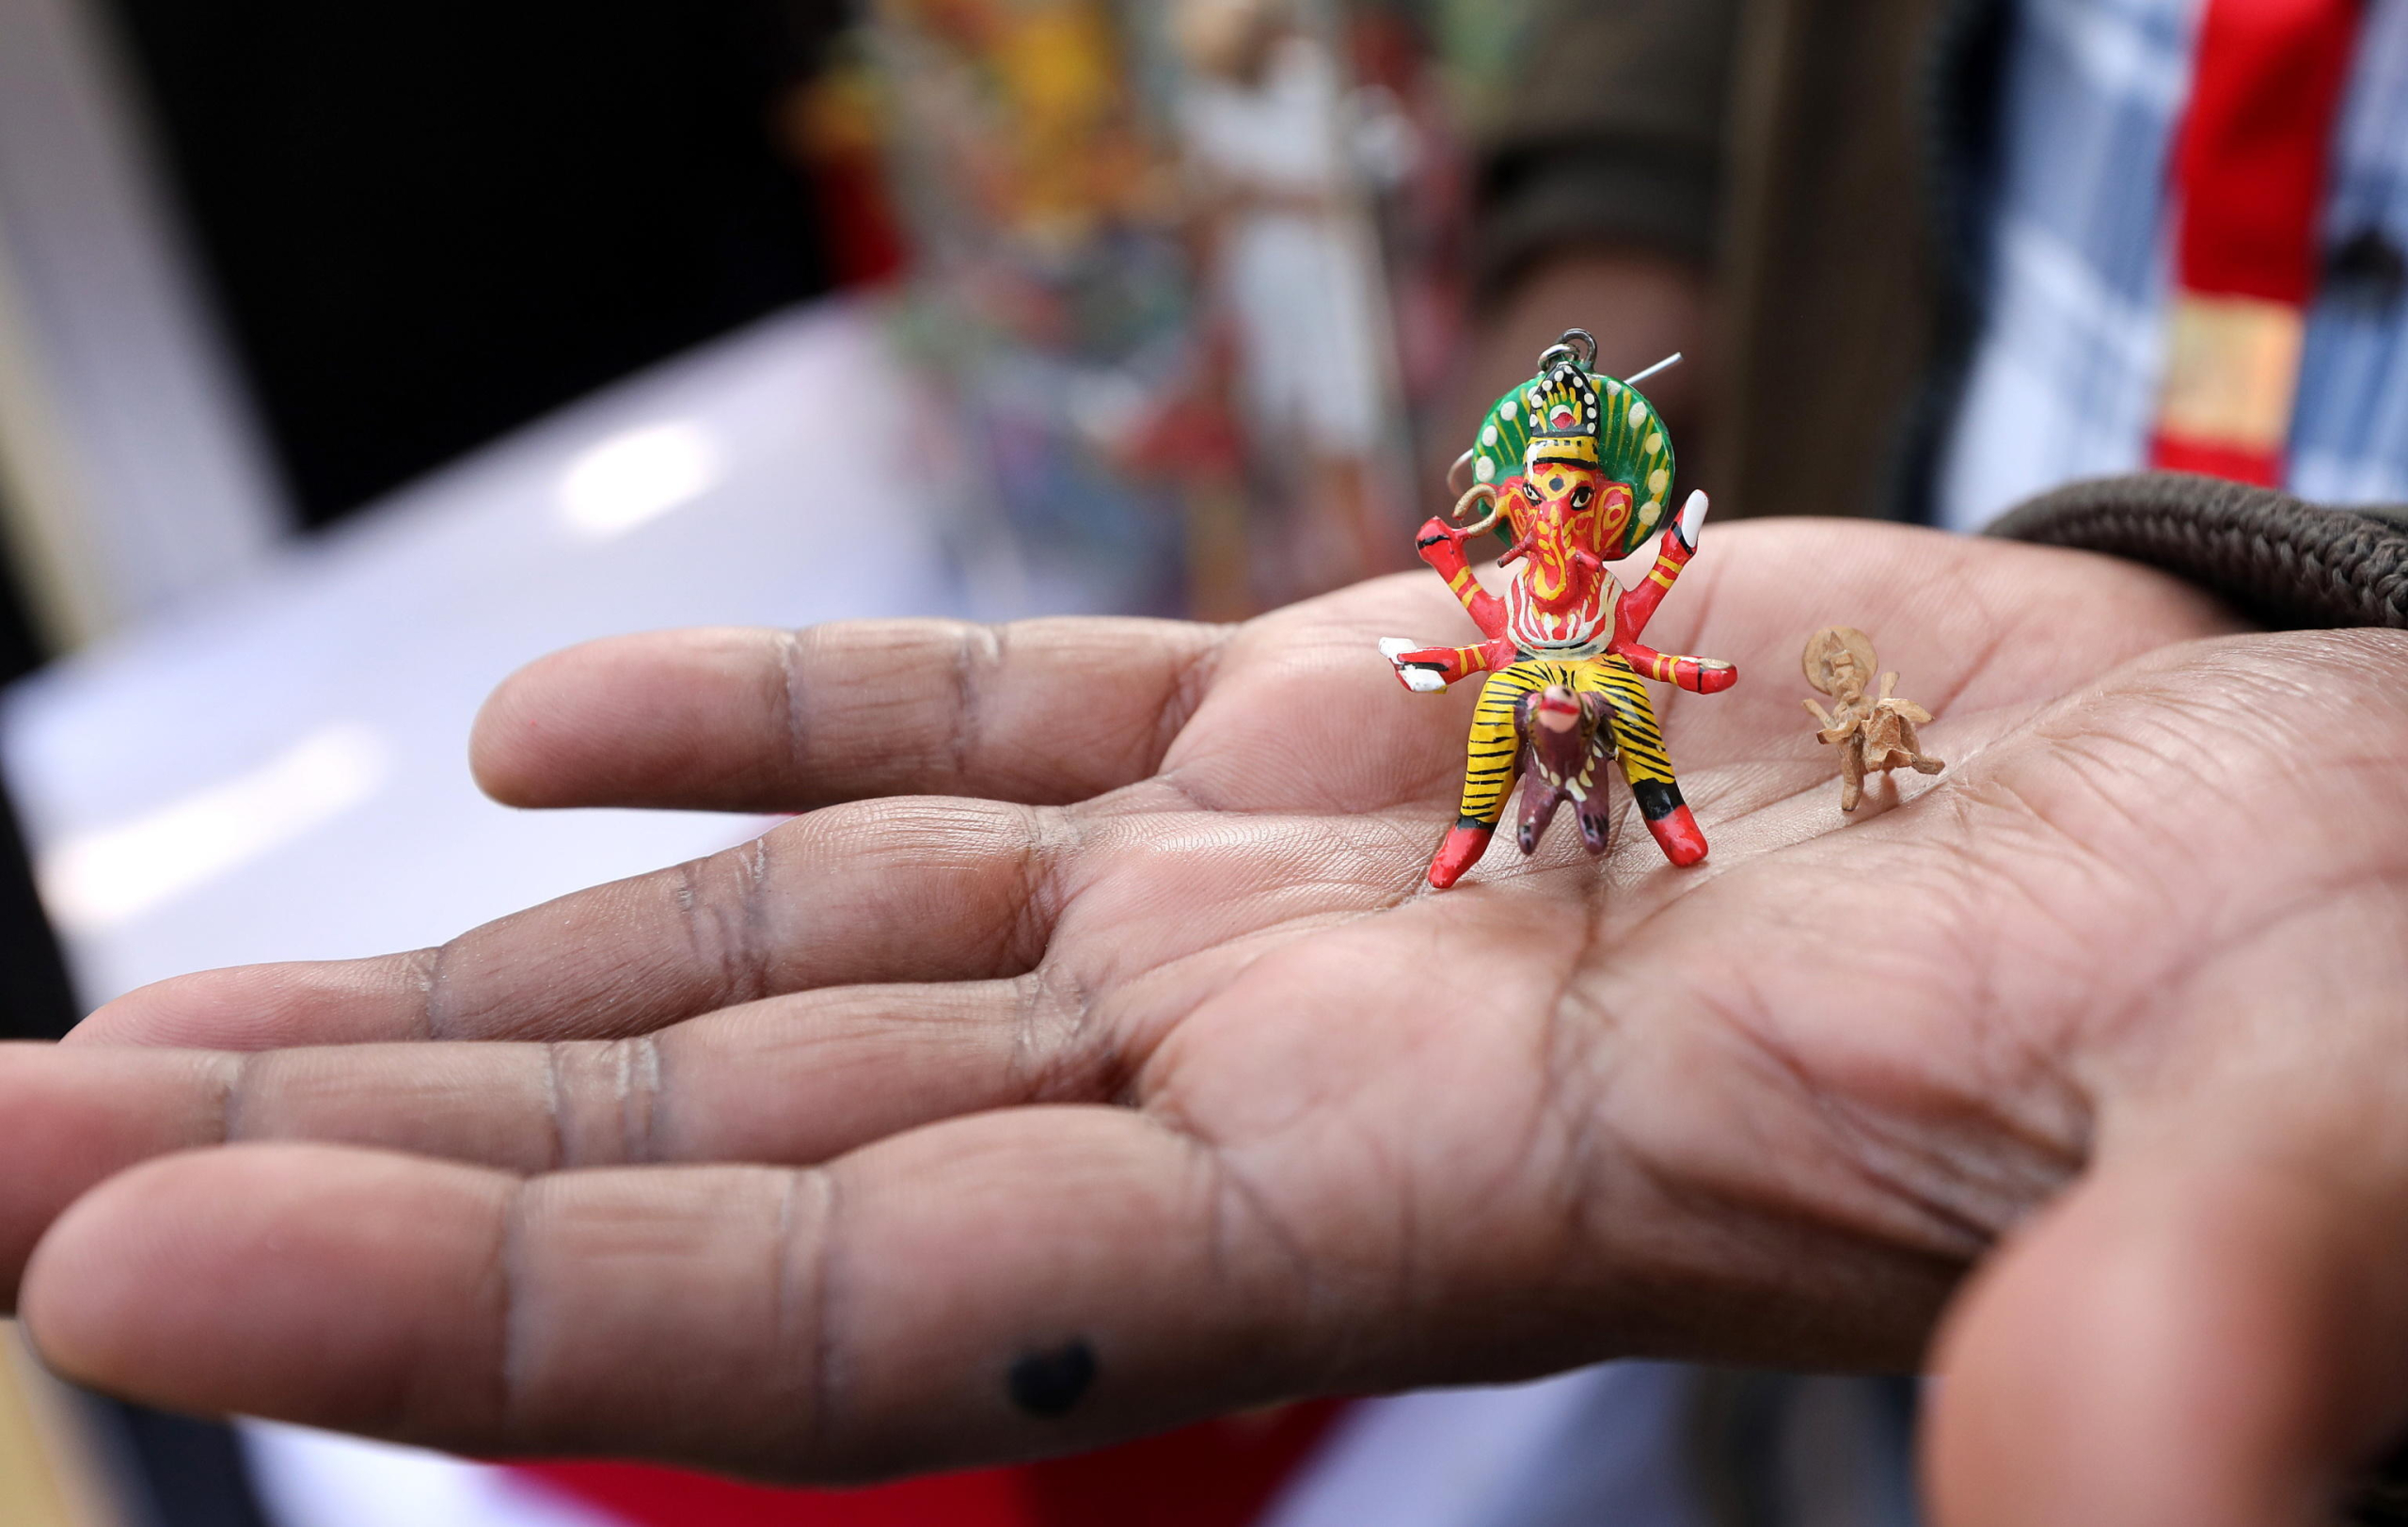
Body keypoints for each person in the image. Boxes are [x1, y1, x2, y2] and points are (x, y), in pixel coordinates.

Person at [8, 8, 2408, 1527]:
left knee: (1607, 774)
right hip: (1737, 780)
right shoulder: (1547, 547)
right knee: (1526, 774)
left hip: (1961, 772)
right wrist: (1619, 228)